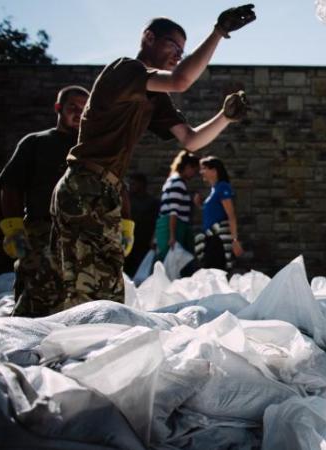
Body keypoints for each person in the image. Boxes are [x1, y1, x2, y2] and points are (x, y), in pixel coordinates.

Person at [51, 7, 256, 311]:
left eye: (182, 51)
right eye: (174, 46)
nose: (178, 54)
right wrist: (218, 33)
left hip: (105, 191)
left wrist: (225, 117)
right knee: (84, 293)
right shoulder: (124, 70)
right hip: (83, 185)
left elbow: (191, 139)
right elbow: (181, 79)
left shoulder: (155, 99)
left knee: (104, 292)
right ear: (149, 38)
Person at [0, 85, 90, 317]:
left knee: (78, 304)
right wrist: (14, 228)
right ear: (58, 108)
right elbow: (11, 186)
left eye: (85, 108)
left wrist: (124, 228)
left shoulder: (90, 149)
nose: (79, 113)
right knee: (36, 298)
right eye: (73, 107)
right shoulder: (36, 142)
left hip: (82, 236)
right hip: (42, 232)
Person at [195, 156, 243, 271]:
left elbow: (231, 215)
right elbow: (214, 213)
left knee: (215, 273)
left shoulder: (222, 187)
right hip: (211, 239)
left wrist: (235, 241)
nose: (201, 172)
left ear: (214, 171)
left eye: (204, 168)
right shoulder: (214, 190)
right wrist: (199, 205)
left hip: (218, 241)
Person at [155, 150, 199, 264]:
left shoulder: (170, 181)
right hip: (174, 228)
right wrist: (172, 236)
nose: (194, 174)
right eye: (194, 170)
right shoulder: (178, 184)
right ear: (188, 167)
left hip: (167, 227)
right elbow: (173, 212)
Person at [124, 173, 159, 277]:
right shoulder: (128, 200)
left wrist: (154, 238)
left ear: (142, 184)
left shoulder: (152, 202)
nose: (131, 186)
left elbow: (157, 220)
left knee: (140, 269)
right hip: (129, 240)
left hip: (144, 242)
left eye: (134, 184)